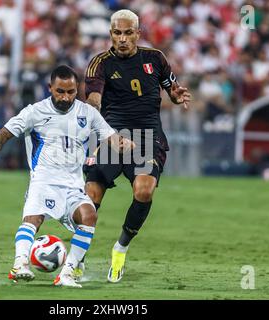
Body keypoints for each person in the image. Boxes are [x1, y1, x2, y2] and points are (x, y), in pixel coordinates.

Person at [0, 65, 134, 288]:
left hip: (74, 184)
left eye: (71, 92)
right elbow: (4, 133)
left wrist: (122, 144)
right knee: (33, 220)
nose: (65, 97)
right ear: (50, 88)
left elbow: (110, 137)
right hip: (44, 181)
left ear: (77, 90)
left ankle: (67, 273)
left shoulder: (88, 113)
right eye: (60, 91)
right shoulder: (34, 112)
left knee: (89, 216)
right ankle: (20, 264)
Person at [83, 9, 192, 283]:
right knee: (90, 199)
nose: (122, 39)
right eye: (117, 33)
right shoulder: (100, 64)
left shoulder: (155, 59)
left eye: (128, 33)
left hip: (147, 137)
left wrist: (176, 95)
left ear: (137, 34)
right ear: (110, 34)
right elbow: (94, 97)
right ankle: (77, 258)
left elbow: (172, 86)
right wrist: (93, 106)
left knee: (144, 191)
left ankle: (120, 248)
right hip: (111, 137)